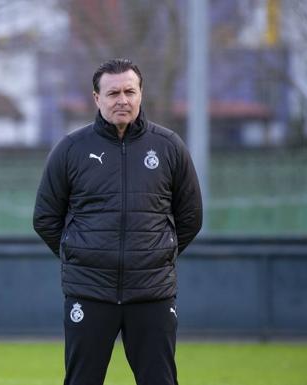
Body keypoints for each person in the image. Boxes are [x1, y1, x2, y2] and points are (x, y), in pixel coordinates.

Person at [33, 58, 202, 385]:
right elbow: (45, 218)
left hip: (152, 293)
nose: (122, 100)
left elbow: (191, 216)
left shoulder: (168, 147)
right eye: (113, 93)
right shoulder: (71, 149)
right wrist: (82, 255)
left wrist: (156, 254)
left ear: (141, 95)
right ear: (97, 98)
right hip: (90, 293)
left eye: (129, 91)